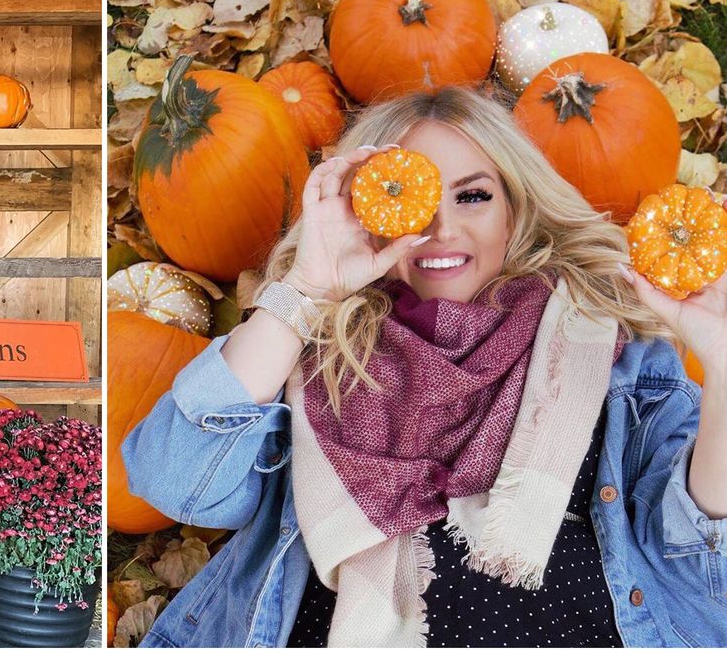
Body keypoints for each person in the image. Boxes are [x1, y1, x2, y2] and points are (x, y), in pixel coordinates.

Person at [122, 86, 727, 647]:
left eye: (472, 196)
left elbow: (703, 558)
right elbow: (176, 484)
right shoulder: (309, 359)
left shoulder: (615, 355)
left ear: (515, 211)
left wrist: (724, 358)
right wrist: (305, 290)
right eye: (404, 198)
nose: (441, 228)